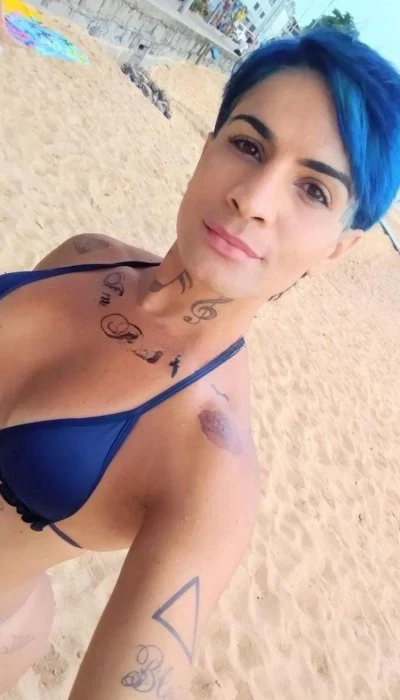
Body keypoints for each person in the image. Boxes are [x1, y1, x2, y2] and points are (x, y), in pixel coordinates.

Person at [1, 27, 400, 699]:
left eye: (313, 190)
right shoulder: (82, 253)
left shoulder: (210, 465)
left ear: (339, 247)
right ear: (207, 147)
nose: (254, 199)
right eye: (248, 145)